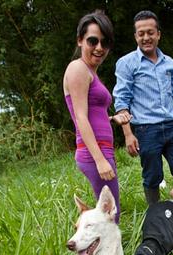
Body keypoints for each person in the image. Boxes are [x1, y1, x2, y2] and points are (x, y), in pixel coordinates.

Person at [113, 10, 173, 206]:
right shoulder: (126, 63)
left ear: (158, 34)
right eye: (141, 33)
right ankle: (156, 215)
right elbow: (122, 101)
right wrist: (129, 134)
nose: (146, 37)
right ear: (135, 36)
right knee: (152, 176)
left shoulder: (169, 63)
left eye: (150, 32)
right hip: (146, 130)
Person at [64, 11, 128, 223]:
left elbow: (90, 114)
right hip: (94, 153)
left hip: (101, 150)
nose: (100, 47)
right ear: (80, 40)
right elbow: (80, 117)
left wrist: (113, 119)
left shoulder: (91, 72)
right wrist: (100, 159)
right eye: (93, 40)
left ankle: (97, 247)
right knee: (111, 215)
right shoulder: (78, 68)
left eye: (105, 42)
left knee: (109, 211)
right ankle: (105, 253)